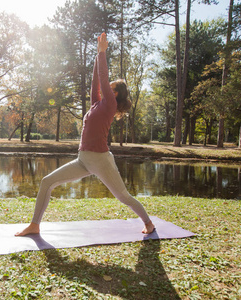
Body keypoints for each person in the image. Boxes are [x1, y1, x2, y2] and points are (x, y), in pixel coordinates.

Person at [15, 32, 155, 236]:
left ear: (114, 93)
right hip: (83, 160)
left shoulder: (110, 105)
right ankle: (35, 225)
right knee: (47, 182)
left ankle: (148, 223)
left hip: (101, 160)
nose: (107, 86)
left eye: (111, 86)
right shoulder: (97, 105)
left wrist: (103, 53)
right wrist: (97, 57)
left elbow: (103, 77)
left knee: (123, 196)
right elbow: (95, 83)